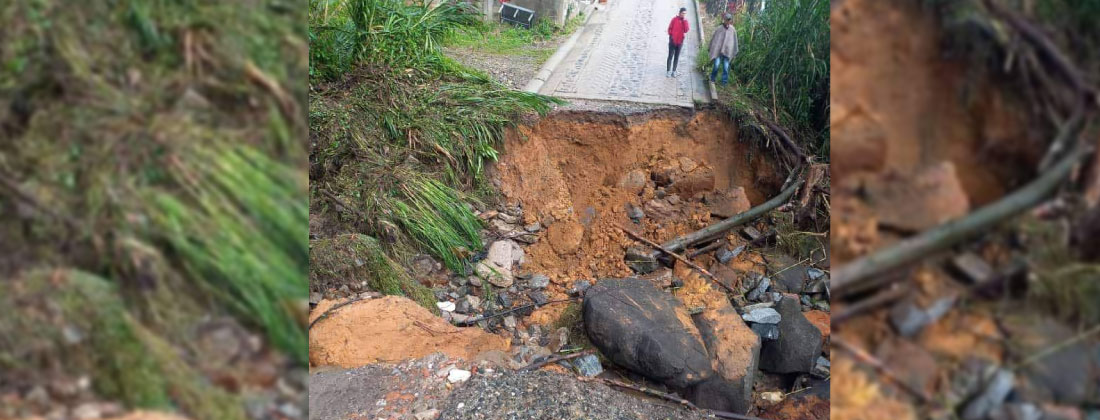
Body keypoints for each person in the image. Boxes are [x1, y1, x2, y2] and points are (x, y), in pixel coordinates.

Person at [708, 13, 738, 85]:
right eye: (726, 20)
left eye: (729, 20)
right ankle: (712, 79)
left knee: (725, 68)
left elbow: (734, 41)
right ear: (724, 20)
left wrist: (734, 50)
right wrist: (710, 46)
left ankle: (724, 82)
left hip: (727, 52)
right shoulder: (719, 28)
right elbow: (714, 39)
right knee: (716, 65)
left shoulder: (732, 30)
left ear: (730, 20)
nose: (728, 21)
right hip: (718, 52)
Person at [666, 7, 690, 78]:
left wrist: (684, 21)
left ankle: (674, 71)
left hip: (680, 42)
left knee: (676, 57)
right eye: (683, 13)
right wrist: (671, 37)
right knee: (670, 56)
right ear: (679, 13)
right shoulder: (674, 19)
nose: (684, 15)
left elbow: (686, 30)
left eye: (685, 13)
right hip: (672, 41)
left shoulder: (685, 21)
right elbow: (669, 29)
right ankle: (668, 71)